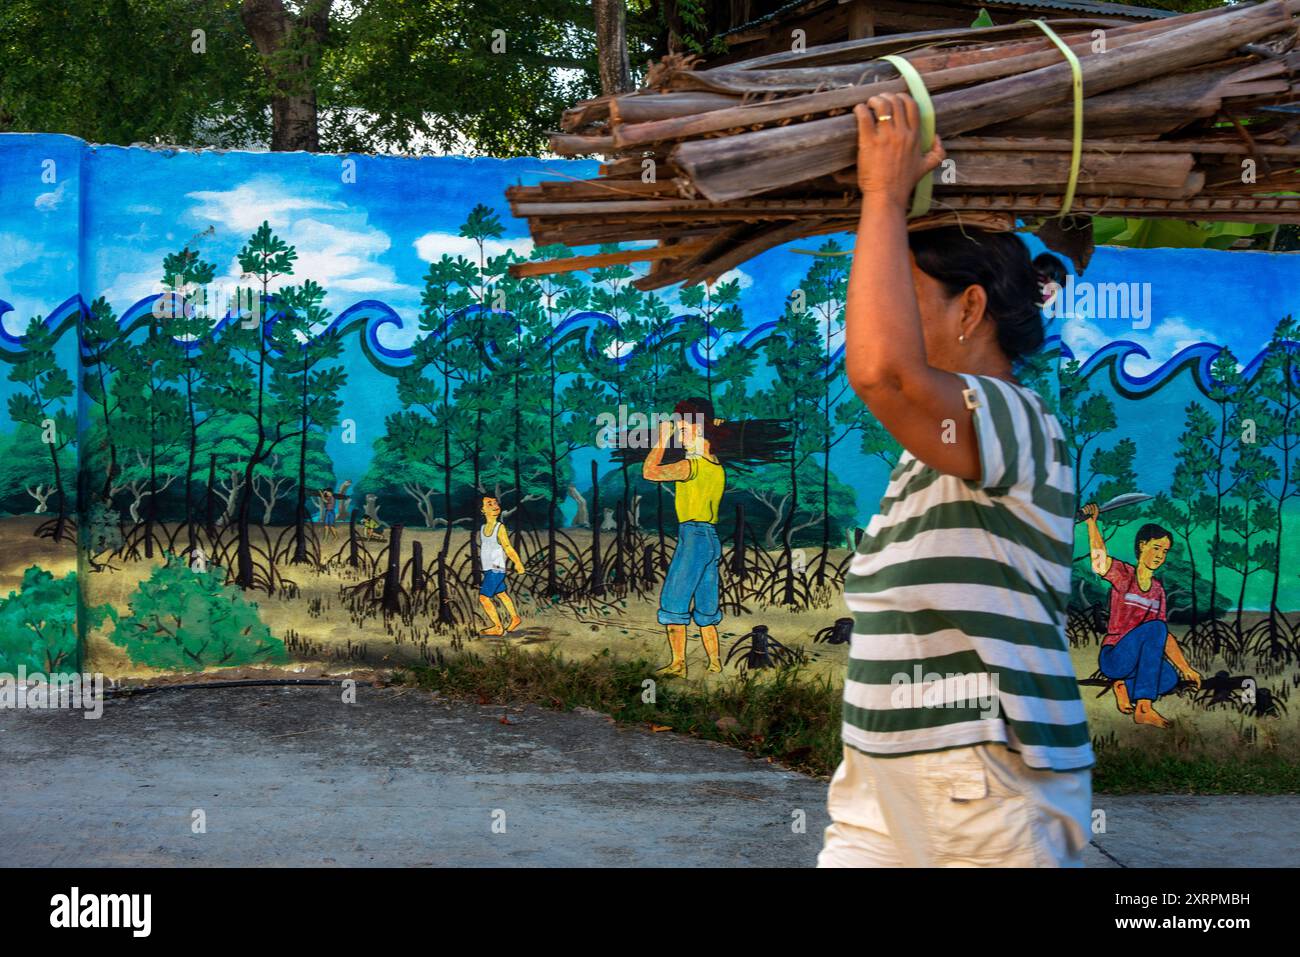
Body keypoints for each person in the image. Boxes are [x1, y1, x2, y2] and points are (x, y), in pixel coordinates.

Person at [817, 92, 1092, 868]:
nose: (883, 313)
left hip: (982, 785)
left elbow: (882, 373)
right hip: (880, 783)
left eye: (907, 294)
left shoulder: (1017, 419)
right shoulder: (936, 447)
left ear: (970, 306)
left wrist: (884, 194)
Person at [1082, 503, 1201, 728]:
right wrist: (1091, 523)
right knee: (1155, 628)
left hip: (1136, 662)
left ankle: (1122, 687)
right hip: (1115, 656)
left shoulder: (1158, 591)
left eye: (1164, 551)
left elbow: (1163, 636)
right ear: (1142, 545)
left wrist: (1186, 668)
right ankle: (1144, 708)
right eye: (1156, 548)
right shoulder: (1124, 574)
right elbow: (1099, 562)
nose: (1160, 555)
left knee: (1169, 678)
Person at [642, 400, 727, 677]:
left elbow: (649, 471)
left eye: (681, 425)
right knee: (706, 604)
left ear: (696, 427)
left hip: (693, 537)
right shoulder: (716, 466)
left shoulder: (690, 466)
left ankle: (678, 664)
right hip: (712, 538)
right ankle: (714, 662)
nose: (678, 430)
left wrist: (662, 439)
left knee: (674, 601)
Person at [477, 495, 525, 636]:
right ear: (482, 510)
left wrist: (518, 563)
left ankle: (498, 628)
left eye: (495, 502)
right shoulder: (483, 528)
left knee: (484, 598)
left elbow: (507, 547)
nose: (495, 506)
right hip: (488, 569)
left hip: (496, 568)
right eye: (489, 504)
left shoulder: (500, 527)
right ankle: (515, 618)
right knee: (502, 594)